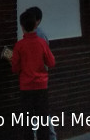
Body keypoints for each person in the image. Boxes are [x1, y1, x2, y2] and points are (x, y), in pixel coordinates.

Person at [9, 9, 56, 140]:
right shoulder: (42, 43)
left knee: (26, 120)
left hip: (26, 87)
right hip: (41, 86)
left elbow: (15, 68)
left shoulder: (19, 46)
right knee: (42, 118)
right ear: (36, 25)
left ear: (22, 27)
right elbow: (51, 62)